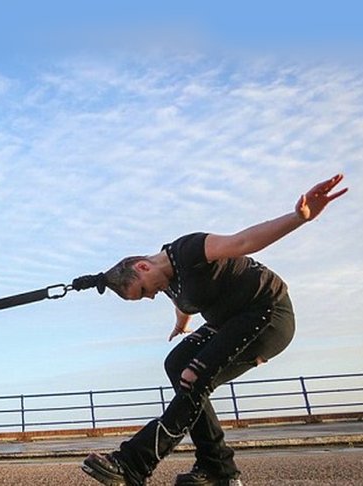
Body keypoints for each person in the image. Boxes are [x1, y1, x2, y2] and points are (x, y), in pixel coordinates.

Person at [75, 174, 348, 486]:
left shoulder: (190, 250)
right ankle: (217, 470)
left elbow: (243, 241)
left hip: (268, 313)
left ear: (142, 267)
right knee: (176, 364)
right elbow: (184, 300)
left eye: (144, 291)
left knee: (194, 377)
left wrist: (298, 217)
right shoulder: (166, 281)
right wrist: (181, 324)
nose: (151, 296)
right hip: (231, 321)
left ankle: (134, 462)